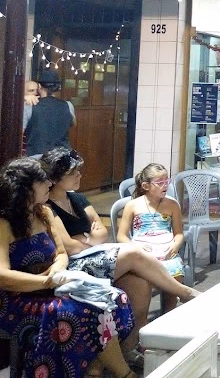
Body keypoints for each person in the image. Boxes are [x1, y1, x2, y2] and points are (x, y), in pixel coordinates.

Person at [40, 148, 199, 353]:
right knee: (134, 252)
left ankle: (133, 348)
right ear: (56, 178)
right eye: (73, 173)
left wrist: (84, 239)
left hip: (93, 256)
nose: (79, 175)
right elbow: (67, 246)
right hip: (72, 265)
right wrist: (90, 239)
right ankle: (184, 293)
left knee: (140, 284)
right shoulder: (47, 207)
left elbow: (102, 233)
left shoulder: (78, 200)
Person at [0, 158, 137, 378]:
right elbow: (3, 276)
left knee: (112, 297)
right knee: (80, 312)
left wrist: (57, 269)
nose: (48, 185)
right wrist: (45, 281)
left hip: (52, 288)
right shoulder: (3, 223)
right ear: (26, 188)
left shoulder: (44, 213)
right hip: (17, 298)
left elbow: (62, 253)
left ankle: (95, 369)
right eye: (43, 181)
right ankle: (122, 373)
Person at [117, 164, 191, 312]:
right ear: (146, 185)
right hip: (143, 252)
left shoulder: (172, 205)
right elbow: (121, 236)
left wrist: (176, 245)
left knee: (175, 270)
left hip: (165, 250)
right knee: (140, 281)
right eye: (159, 182)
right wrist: (135, 247)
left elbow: (179, 233)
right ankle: (141, 319)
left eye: (167, 181)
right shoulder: (132, 205)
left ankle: (168, 313)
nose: (165, 185)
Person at [24, 69, 75, 157]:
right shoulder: (68, 105)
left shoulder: (30, 106)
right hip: (63, 156)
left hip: (37, 156)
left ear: (39, 86)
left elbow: (18, 132)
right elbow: (73, 123)